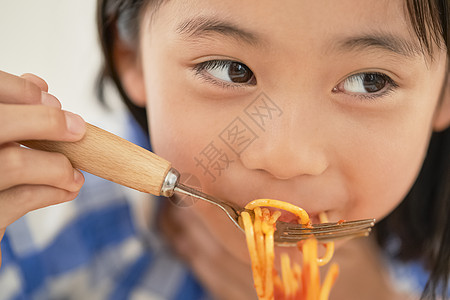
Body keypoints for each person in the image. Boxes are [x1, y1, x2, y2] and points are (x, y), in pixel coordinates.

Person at [0, 0, 449, 299]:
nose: (286, 157)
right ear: (130, 56)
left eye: (369, 81)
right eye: (232, 70)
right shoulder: (40, 240)